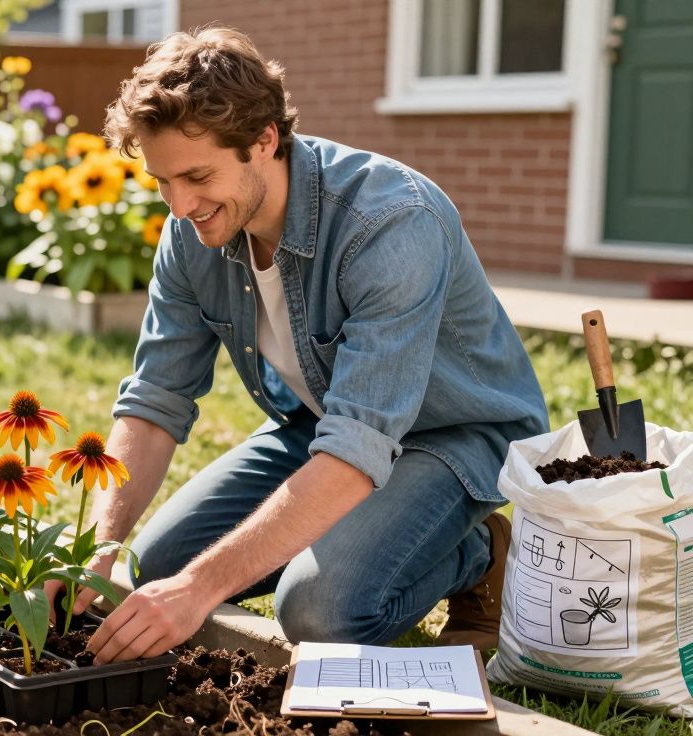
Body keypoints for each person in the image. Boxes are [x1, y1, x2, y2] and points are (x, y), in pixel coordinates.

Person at [45, 26, 548, 664]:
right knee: (150, 571)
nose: (179, 206)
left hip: (451, 437)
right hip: (321, 428)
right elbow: (155, 400)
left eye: (197, 176)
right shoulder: (191, 231)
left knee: (316, 609)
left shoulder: (389, 224)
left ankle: (476, 554)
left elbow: (356, 451)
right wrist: (98, 545)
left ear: (265, 140)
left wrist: (200, 590)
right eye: (162, 181)